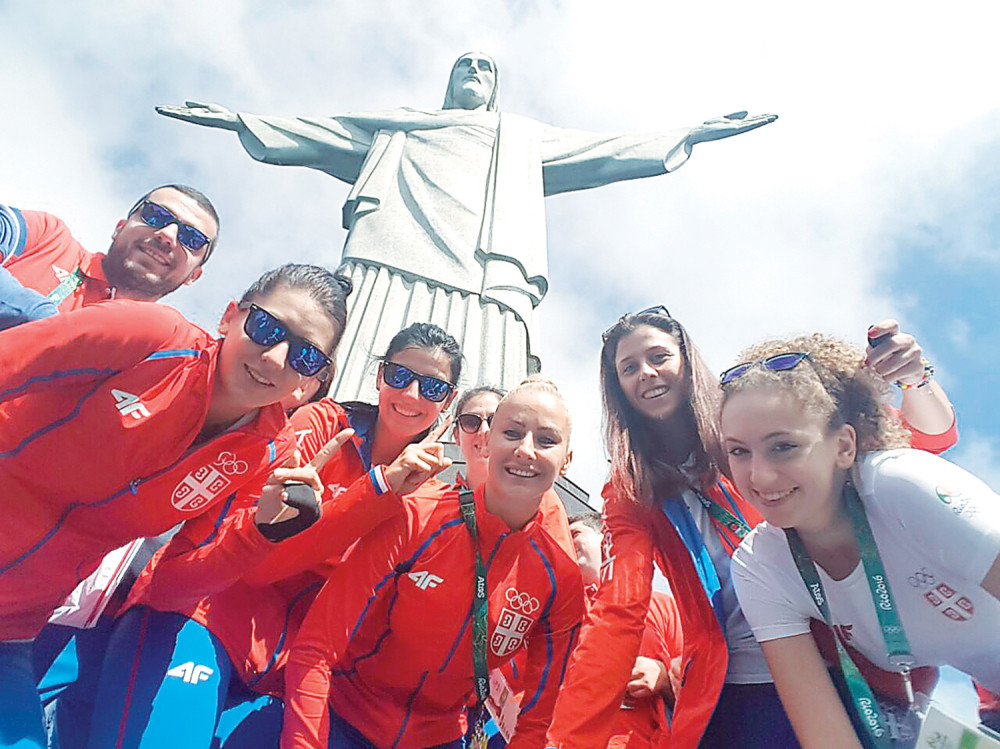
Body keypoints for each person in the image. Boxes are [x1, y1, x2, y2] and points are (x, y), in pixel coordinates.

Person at [155, 53, 775, 399]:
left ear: (497, 86)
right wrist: (240, 120)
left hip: (486, 268)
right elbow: (321, 133)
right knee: (353, 365)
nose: (474, 72)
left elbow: (606, 150)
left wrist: (689, 133)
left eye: (485, 67)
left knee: (479, 388)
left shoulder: (521, 138)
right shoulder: (401, 125)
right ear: (448, 81)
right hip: (390, 250)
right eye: (464, 66)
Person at [545, 307, 959, 749]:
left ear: (686, 360)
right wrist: (567, 741)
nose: (646, 372)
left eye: (659, 356)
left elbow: (924, 438)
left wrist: (913, 377)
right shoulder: (631, 491)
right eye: (629, 368)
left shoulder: (748, 419)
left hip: (841, 661)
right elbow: (618, 611)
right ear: (618, 389)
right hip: (742, 683)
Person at [0, 263, 347, 749]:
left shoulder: (268, 456)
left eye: (305, 355)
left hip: (12, 630)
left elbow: (170, 588)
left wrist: (262, 533)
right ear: (230, 316)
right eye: (267, 327)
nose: (275, 357)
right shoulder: (152, 336)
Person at [85, 323, 462, 749]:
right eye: (399, 376)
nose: (411, 394)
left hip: (290, 672)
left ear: (447, 402)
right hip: (206, 615)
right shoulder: (323, 425)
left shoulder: (432, 494)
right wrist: (377, 490)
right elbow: (263, 563)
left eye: (432, 387)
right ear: (379, 377)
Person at [723, 334, 1000, 748]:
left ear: (844, 445)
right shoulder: (759, 566)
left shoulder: (903, 486)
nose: (759, 477)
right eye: (739, 452)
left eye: (784, 446)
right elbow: (827, 738)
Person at [281, 376, 585, 749]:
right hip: (344, 718)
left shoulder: (560, 580)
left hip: (441, 738)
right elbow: (316, 647)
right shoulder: (416, 515)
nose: (526, 450)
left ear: (567, 460)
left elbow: (538, 719)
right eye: (512, 432)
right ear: (487, 442)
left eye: (547, 440)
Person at [0, 184, 219, 328]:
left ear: (194, 276)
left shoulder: (152, 355)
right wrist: (34, 315)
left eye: (192, 238)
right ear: (119, 228)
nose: (167, 235)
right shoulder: (50, 238)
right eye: (156, 215)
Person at [568, 511, 682, 749]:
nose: (567, 544)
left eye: (575, 534)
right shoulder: (555, 621)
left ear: (605, 538)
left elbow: (707, 680)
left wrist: (663, 675)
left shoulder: (663, 607)